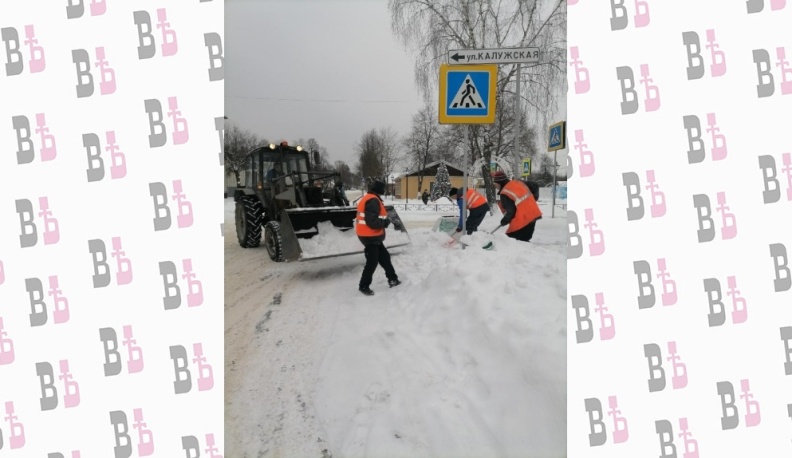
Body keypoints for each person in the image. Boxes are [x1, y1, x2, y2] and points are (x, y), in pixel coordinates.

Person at [356, 180, 401, 296]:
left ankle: (393, 279)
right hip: (369, 235)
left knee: (384, 257)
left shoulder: (370, 197)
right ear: (379, 190)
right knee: (372, 261)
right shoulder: (373, 200)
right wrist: (385, 223)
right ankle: (363, 286)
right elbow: (372, 221)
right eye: (383, 188)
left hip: (370, 235)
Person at [492, 171, 542, 242]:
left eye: (495, 183)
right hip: (533, 215)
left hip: (523, 219)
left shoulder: (504, 193)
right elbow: (534, 185)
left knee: (510, 241)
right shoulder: (517, 183)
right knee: (523, 242)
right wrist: (534, 198)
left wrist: (504, 221)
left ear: (499, 182)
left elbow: (510, 211)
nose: (495, 186)